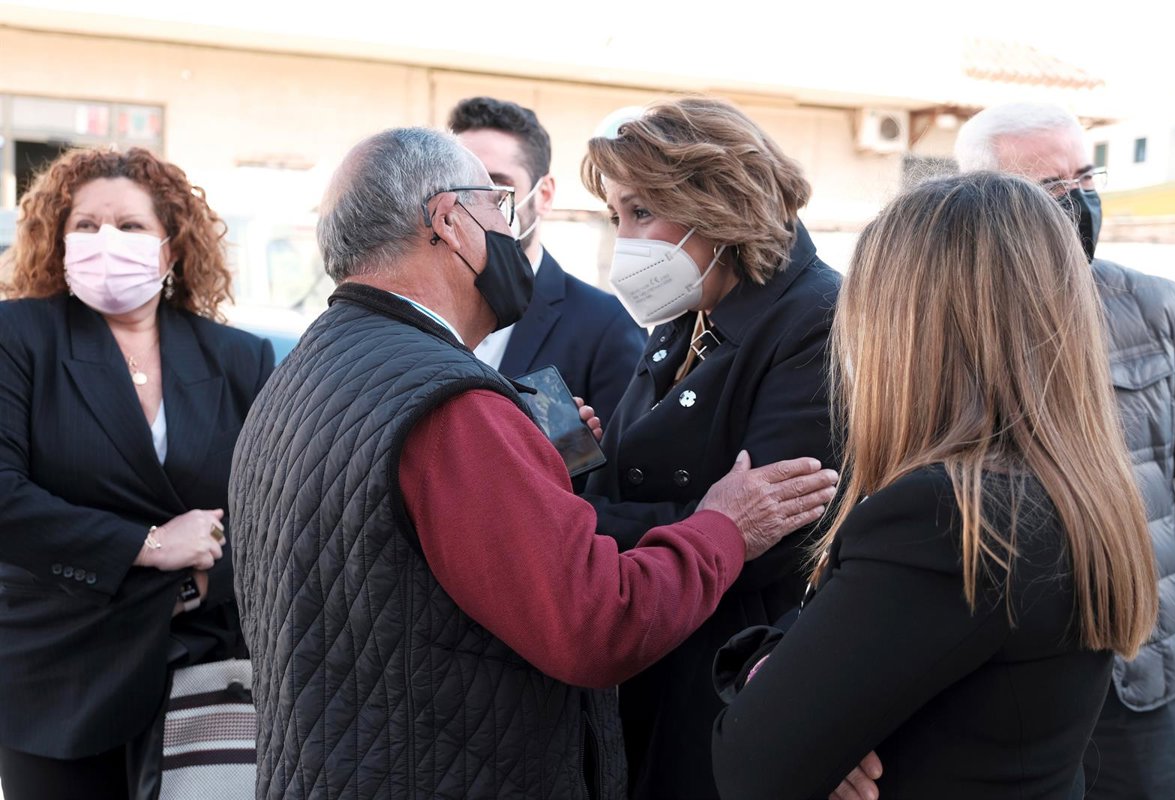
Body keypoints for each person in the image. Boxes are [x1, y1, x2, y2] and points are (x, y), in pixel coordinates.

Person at [228, 127, 838, 800]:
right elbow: (595, 623)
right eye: (497, 207)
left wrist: (534, 464)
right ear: (450, 222)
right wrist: (724, 527)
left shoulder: (304, 370)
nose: (511, 232)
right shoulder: (454, 408)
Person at [710, 170, 1159, 799]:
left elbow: (752, 765)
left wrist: (769, 675)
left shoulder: (944, 516)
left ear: (908, 328)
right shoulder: (1068, 484)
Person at [574, 96, 842, 799]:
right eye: (615, 216)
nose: (625, 239)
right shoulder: (690, 309)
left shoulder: (816, 319)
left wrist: (579, 523)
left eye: (640, 211)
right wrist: (573, 461)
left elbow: (778, 535)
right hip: (655, 658)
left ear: (715, 200)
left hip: (727, 682)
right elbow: (648, 483)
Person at [0, 147, 274, 800]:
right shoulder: (18, 336)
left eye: (129, 225)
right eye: (85, 225)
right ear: (58, 241)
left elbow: (275, 511)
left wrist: (191, 586)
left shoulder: (238, 357)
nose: (106, 240)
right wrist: (149, 546)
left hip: (200, 671)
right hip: (57, 676)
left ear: (170, 248)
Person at [956, 102, 1175, 800]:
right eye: (1050, 188)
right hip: (993, 680)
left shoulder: (1160, 308)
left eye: (1085, 178)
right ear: (983, 198)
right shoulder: (942, 323)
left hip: (1140, 668)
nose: (1077, 201)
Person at [448, 96, 645, 424]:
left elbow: (622, 452)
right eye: (462, 189)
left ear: (544, 195)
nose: (476, 207)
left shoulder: (606, 326)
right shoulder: (422, 315)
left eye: (498, 187)